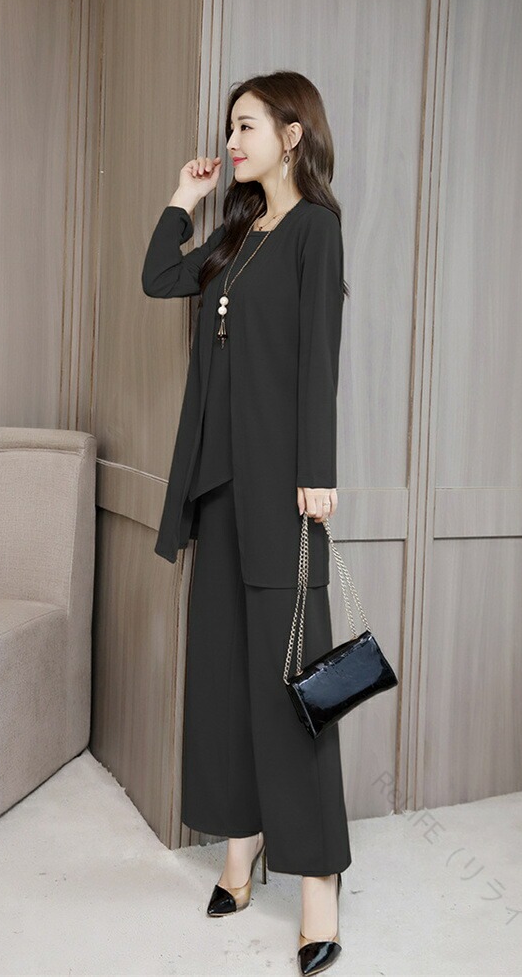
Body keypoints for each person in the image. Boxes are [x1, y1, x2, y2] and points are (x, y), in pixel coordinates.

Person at [142, 71, 351, 977]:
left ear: (293, 135)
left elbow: (318, 359)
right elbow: (159, 278)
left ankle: (318, 884)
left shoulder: (315, 231)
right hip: (217, 487)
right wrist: (183, 200)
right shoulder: (234, 234)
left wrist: (317, 473)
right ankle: (241, 843)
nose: (232, 142)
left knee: (296, 687)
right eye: (230, 128)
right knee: (225, 677)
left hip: (282, 491)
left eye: (247, 126)